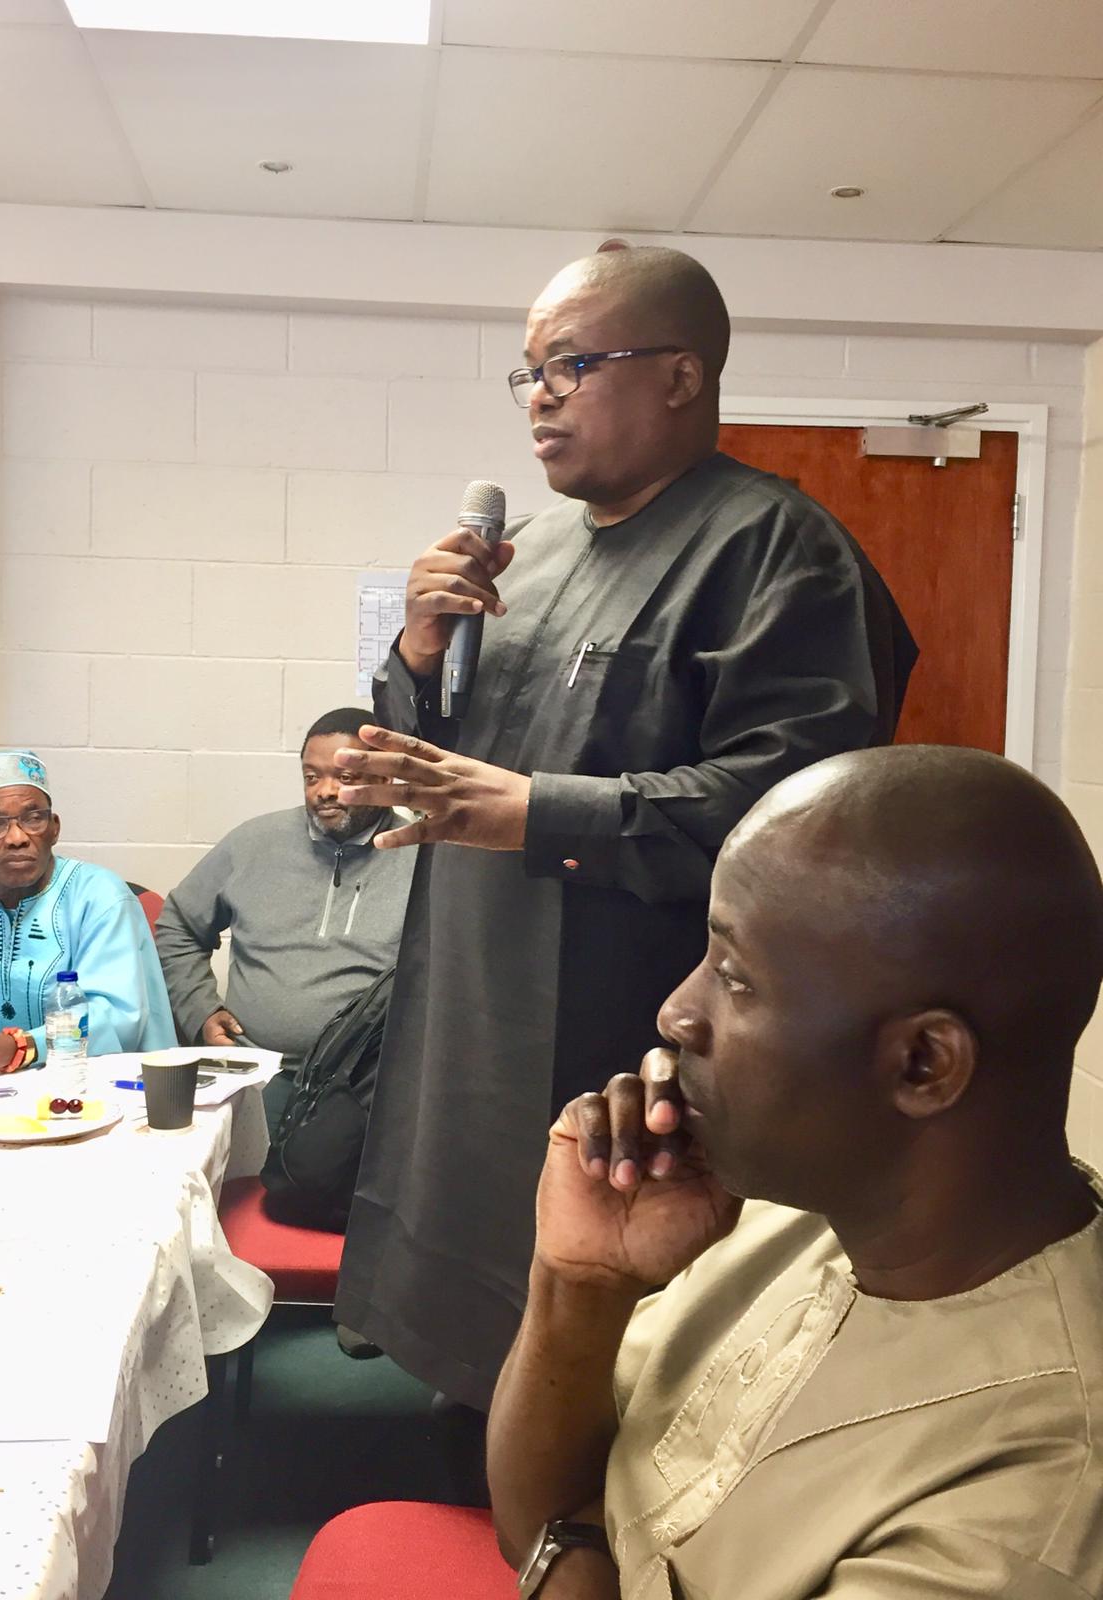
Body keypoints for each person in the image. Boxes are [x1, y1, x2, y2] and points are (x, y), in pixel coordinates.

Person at [333, 244, 918, 1412]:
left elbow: (796, 817)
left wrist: (539, 811)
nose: (539, 397)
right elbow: (444, 755)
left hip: (626, 1029)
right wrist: (417, 656)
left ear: (680, 377)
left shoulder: (777, 551)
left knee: (610, 1390)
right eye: (530, 372)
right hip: (472, 1016)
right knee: (472, 1351)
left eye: (571, 365)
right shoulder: (527, 552)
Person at [486, 745, 1103, 1600]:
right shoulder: (789, 1211)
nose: (676, 1013)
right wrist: (581, 1285)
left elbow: (553, 1529)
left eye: (734, 978)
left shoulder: (1029, 1497)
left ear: (923, 1063)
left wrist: (573, 1541)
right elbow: (533, 1517)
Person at [155, 708, 415, 1129]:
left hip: (363, 1083)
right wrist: (199, 1009)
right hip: (256, 1070)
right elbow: (178, 927)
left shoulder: (422, 857)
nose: (324, 791)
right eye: (312, 777)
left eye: (345, 777)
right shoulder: (254, 843)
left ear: (385, 780)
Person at [0, 750, 175, 1073]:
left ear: (54, 828)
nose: (17, 838)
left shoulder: (101, 898)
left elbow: (116, 1018)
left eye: (33, 818)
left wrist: (18, 1049)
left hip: (89, 1087)